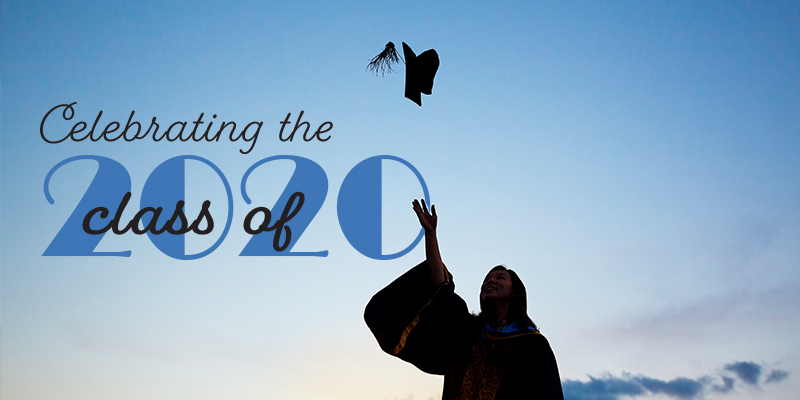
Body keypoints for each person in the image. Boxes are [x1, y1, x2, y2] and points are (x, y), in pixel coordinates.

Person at [365, 199, 564, 400]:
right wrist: (431, 235)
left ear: (516, 293)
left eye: (499, 278)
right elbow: (440, 288)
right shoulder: (468, 332)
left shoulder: (534, 346)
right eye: (487, 279)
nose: (490, 282)